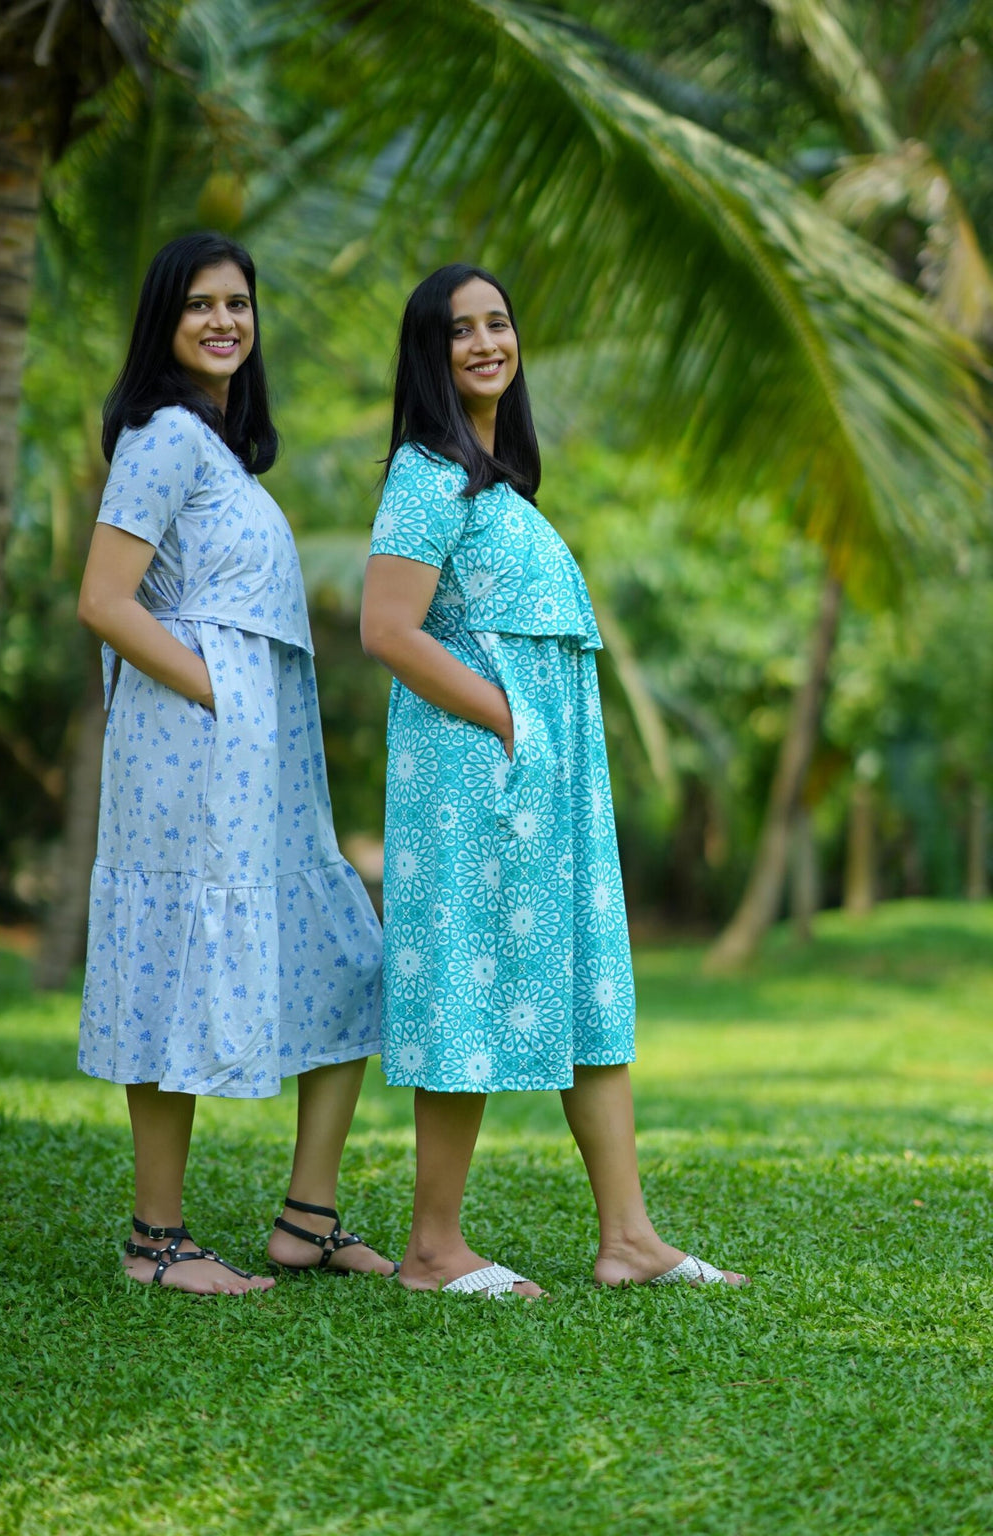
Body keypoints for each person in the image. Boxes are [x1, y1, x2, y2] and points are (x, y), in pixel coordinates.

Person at [360, 264, 748, 1296]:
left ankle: (628, 1237)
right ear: (428, 353)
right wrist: (510, 721)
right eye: (460, 329)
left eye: (498, 322)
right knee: (464, 990)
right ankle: (433, 1249)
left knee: (587, 984)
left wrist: (539, 737)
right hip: (474, 779)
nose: (486, 341)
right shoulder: (427, 472)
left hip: (543, 783)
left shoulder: (499, 482)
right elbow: (387, 629)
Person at [78, 232, 396, 1293]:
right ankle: (155, 1243)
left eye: (239, 304)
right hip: (187, 751)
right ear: (165, 324)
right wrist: (218, 690)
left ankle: (307, 1219)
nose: (225, 321)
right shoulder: (163, 436)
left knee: (345, 949)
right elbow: (104, 602)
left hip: (258, 761)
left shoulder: (220, 449)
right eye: (200, 305)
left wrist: (246, 704)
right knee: (172, 963)